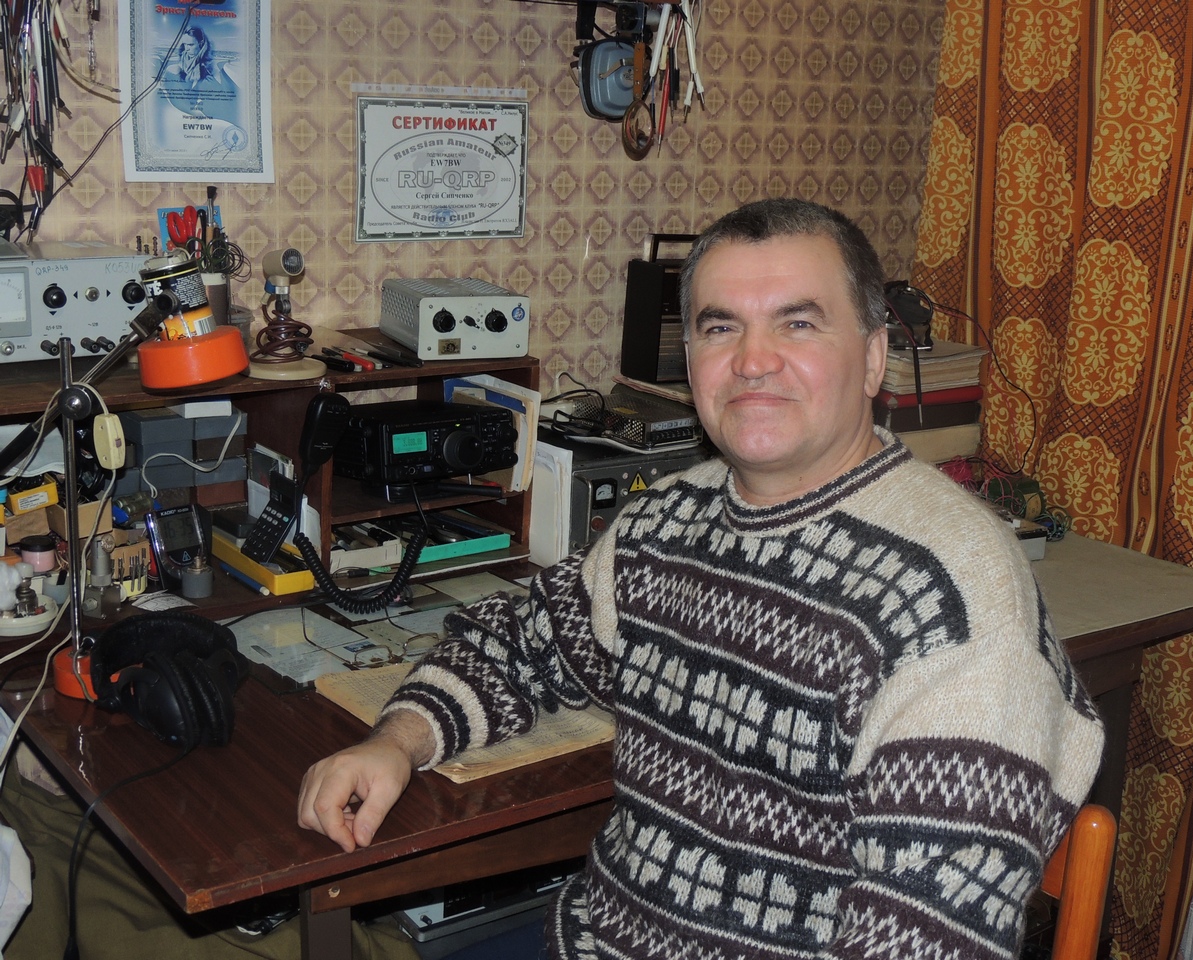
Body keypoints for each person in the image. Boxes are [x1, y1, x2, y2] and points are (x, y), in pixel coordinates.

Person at [298, 198, 1106, 960]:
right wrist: (396, 743)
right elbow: (524, 646)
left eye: (798, 322)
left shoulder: (950, 596)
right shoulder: (669, 520)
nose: (753, 360)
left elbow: (925, 938)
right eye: (721, 327)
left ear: (872, 359)